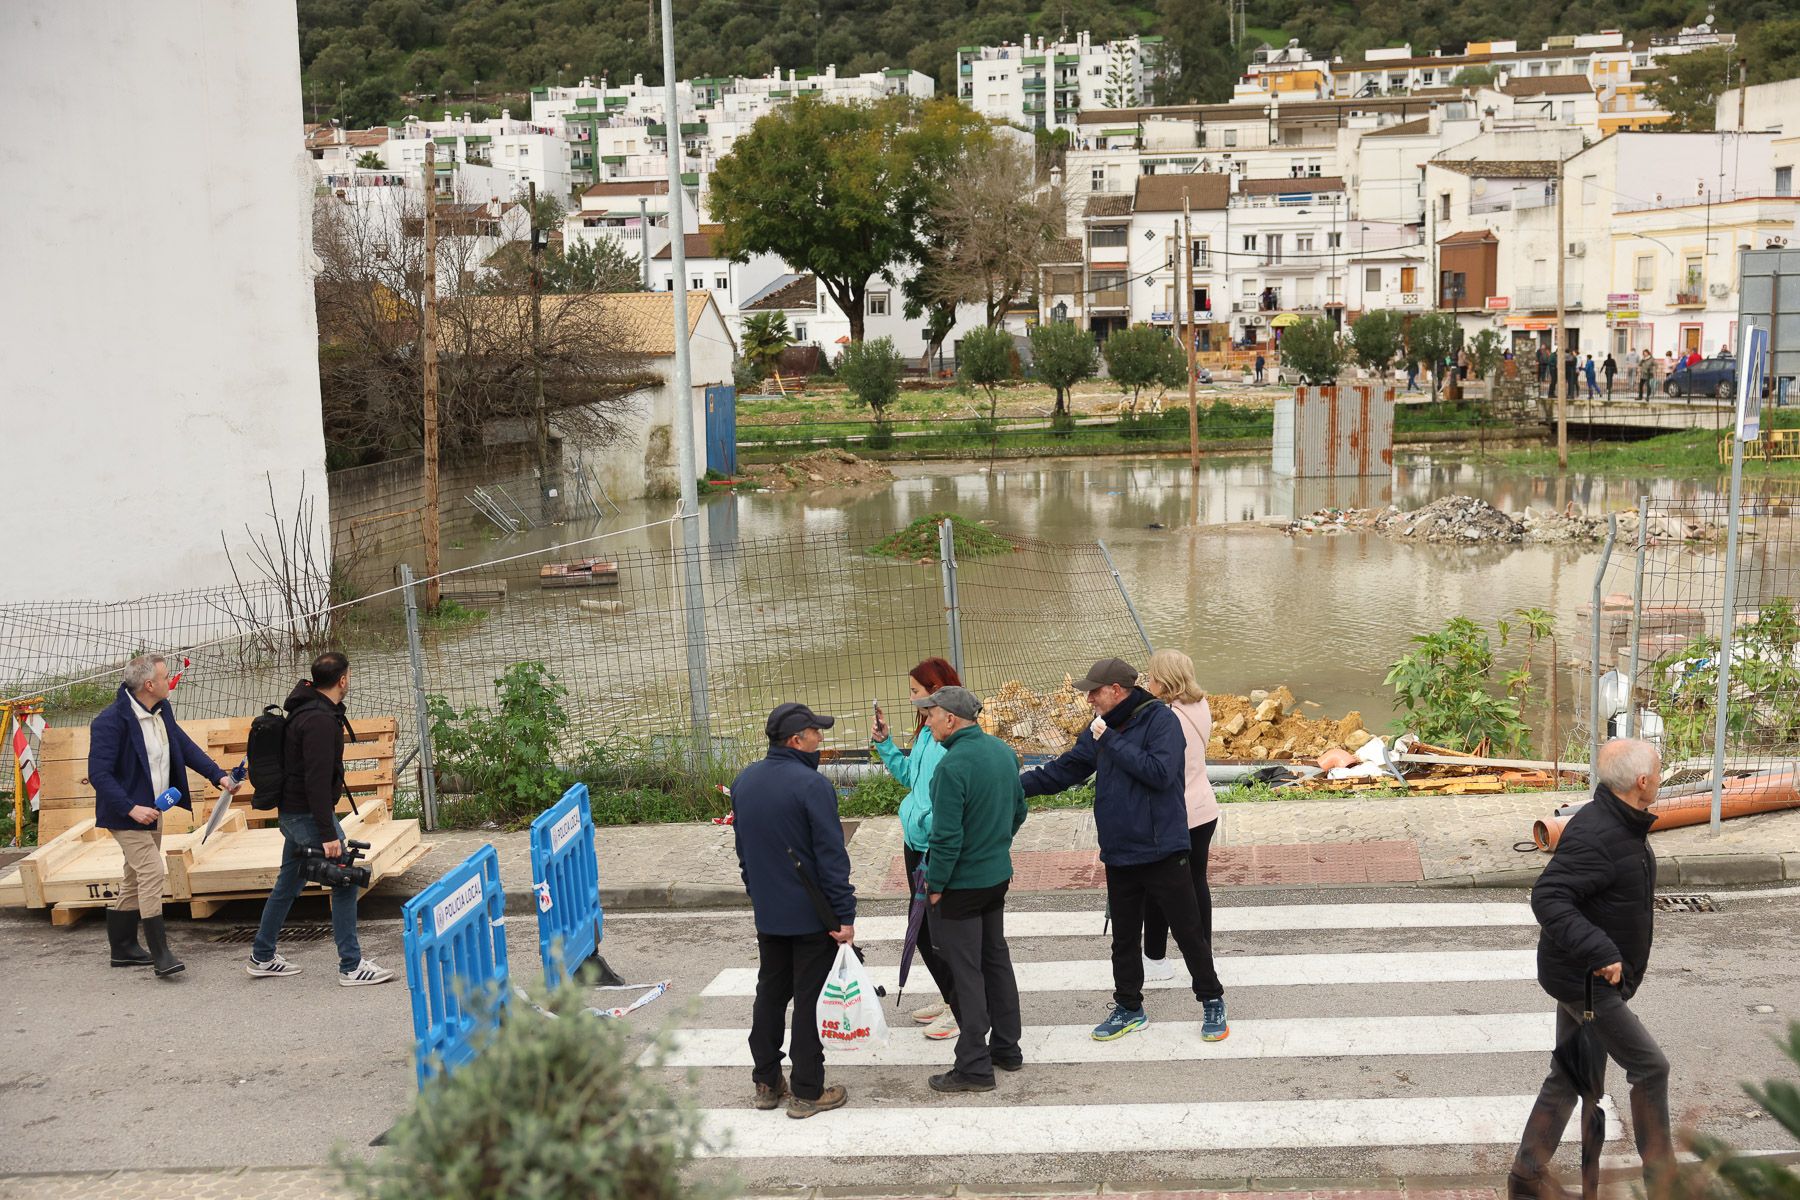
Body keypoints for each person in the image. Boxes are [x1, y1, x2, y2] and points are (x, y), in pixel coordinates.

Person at [1020, 658, 1227, 1043]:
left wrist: (1109, 740)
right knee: (1124, 938)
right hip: (1120, 851)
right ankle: (1129, 1007)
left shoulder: (1160, 721)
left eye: (1094, 692)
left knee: (1188, 931)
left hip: (1162, 848)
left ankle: (1212, 1000)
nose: (1088, 699)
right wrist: (1014, 787)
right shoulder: (1101, 727)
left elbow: (1161, 773)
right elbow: (1065, 770)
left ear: (1117, 690)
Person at [1508, 738, 1674, 1199]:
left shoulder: (1619, 822)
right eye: (1659, 771)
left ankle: (1526, 1176)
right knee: (1650, 1067)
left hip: (1581, 974)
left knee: (1570, 1075)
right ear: (1642, 782)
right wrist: (1601, 951)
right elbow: (1548, 897)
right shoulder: (1599, 832)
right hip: (1587, 980)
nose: (1660, 778)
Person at [731, 702, 856, 1119]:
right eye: (816, 732)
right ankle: (807, 1090)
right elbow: (831, 858)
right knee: (808, 1001)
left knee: (769, 994)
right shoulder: (811, 786)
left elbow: (744, 853)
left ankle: (767, 1082)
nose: (821, 739)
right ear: (796, 739)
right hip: (811, 917)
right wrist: (844, 915)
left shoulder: (745, 780)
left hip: (769, 914)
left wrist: (759, 895)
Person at [88, 653, 238, 977]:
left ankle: (123, 948)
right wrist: (130, 807)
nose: (171, 680)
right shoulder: (110, 722)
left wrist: (219, 775)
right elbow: (99, 775)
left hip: (155, 809)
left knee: (134, 874)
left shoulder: (161, 709)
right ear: (149, 684)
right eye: (165, 676)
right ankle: (161, 954)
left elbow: (181, 745)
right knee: (153, 871)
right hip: (125, 815)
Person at [248, 652, 393, 986]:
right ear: (342, 680)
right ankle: (351, 966)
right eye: (349, 677)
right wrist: (329, 834)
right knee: (344, 880)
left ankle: (262, 955)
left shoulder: (306, 709)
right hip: (307, 816)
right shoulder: (320, 721)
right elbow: (315, 780)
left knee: (288, 883)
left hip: (295, 812)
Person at [918, 686, 1028, 1093]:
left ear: (951, 718)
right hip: (995, 876)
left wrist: (935, 885)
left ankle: (974, 1066)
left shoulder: (951, 768)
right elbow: (1019, 810)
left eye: (930, 715)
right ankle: (1007, 1048)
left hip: (960, 885)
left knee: (966, 972)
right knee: (995, 958)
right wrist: (996, 844)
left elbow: (946, 837)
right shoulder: (1001, 752)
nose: (926, 722)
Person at [870, 657, 962, 1042]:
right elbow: (910, 776)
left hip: (933, 847)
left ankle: (962, 1009)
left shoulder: (948, 737)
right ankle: (951, 999)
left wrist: (933, 835)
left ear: (937, 692)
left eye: (915, 692)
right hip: (914, 843)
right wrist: (885, 743)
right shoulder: (927, 730)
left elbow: (949, 800)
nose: (910, 698)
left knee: (935, 932)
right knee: (923, 929)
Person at [1137, 650, 1220, 982]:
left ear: (1164, 679)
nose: (1148, 680)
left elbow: (1157, 770)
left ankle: (1155, 959)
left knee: (1156, 888)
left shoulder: (1165, 717)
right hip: (1204, 808)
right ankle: (1204, 951)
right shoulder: (1200, 705)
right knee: (1197, 881)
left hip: (1175, 813)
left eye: (1152, 675)